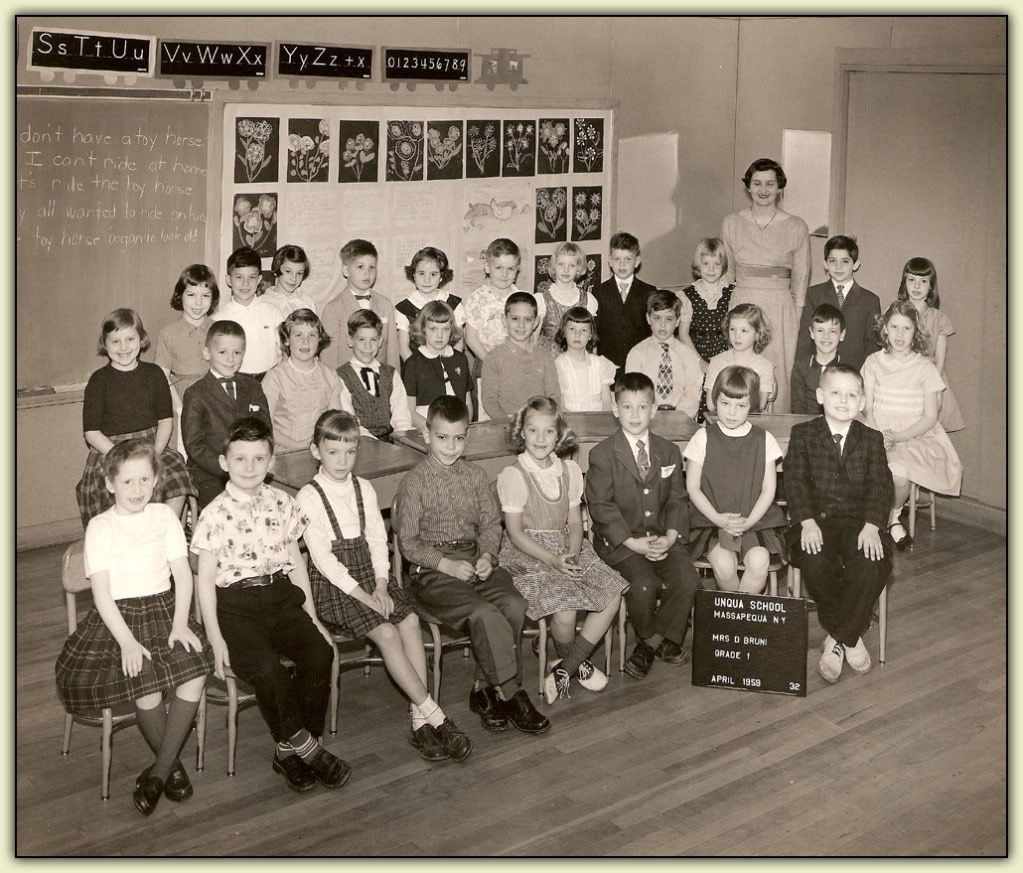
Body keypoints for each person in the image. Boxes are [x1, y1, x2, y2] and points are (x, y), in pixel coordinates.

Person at [297, 411, 472, 762]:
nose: (342, 460)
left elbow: (378, 542)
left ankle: (419, 722)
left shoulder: (363, 487)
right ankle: (436, 715)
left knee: (408, 622)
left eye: (349, 452)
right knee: (387, 633)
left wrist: (379, 584)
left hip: (370, 576)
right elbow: (323, 561)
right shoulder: (308, 496)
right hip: (336, 586)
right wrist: (364, 595)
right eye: (333, 452)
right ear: (316, 451)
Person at [192, 417, 352, 793]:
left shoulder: (283, 502)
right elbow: (204, 582)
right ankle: (309, 750)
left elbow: (296, 561)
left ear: (271, 461)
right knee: (269, 670)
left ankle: (289, 750)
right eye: (241, 459)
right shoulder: (213, 514)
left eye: (259, 459)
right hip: (236, 607)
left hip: (281, 597)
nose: (250, 468)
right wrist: (214, 638)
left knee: (318, 653)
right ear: (223, 462)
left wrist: (311, 615)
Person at [56, 439, 211, 817]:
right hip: (118, 620)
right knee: (146, 683)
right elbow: (103, 595)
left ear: (156, 480)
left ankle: (158, 774)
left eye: (145, 480)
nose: (137, 490)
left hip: (163, 608)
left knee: (195, 671)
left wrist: (179, 623)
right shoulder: (101, 527)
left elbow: (182, 576)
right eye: (127, 482)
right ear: (110, 484)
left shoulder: (164, 517)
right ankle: (170, 769)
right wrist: (126, 642)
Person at [396, 396, 551, 735]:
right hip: (434, 573)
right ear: (426, 434)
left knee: (514, 603)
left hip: (474, 560)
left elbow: (491, 525)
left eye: (459, 438)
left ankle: (484, 689)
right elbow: (407, 544)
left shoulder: (477, 476)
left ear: (467, 436)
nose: (451, 447)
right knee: (484, 613)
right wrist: (446, 566)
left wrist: (486, 556)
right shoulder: (414, 483)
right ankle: (511, 693)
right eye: (442, 438)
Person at [497, 396, 626, 703]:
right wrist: (553, 560)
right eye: (532, 431)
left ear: (559, 434)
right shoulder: (514, 476)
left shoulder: (568, 470)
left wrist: (571, 552)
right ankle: (574, 661)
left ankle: (565, 667)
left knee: (613, 593)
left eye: (549, 432)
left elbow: (575, 521)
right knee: (566, 610)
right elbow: (514, 533)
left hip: (567, 545)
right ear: (521, 433)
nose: (541, 439)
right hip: (531, 552)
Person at [585, 372, 700, 680]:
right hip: (623, 542)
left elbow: (677, 498)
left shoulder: (669, 451)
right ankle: (654, 640)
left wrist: (672, 535)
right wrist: (631, 543)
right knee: (643, 585)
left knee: (688, 579)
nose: (634, 415)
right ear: (615, 408)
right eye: (627, 407)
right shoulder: (602, 454)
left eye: (642, 407)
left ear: (653, 409)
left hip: (663, 536)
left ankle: (650, 645)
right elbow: (601, 507)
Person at [785, 363, 894, 684]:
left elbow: (881, 486)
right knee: (815, 559)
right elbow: (794, 483)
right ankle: (852, 635)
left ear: (862, 401)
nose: (843, 401)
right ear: (820, 396)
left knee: (874, 562)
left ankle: (837, 639)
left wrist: (873, 525)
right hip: (814, 522)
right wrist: (805, 521)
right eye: (835, 393)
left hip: (860, 524)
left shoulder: (872, 439)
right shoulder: (803, 434)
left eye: (852, 395)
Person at [76, 308, 196, 529]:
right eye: (115, 341)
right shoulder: (98, 381)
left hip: (150, 446)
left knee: (177, 471)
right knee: (113, 485)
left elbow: (165, 421)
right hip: (110, 451)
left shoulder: (155, 375)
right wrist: (121, 459)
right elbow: (91, 432)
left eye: (130, 339)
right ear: (105, 344)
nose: (123, 348)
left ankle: (162, 533)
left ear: (141, 340)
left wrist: (154, 456)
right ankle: (123, 539)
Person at [861, 300, 963, 552]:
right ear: (884, 329)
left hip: (914, 433)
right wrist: (877, 433)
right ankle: (871, 519)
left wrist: (900, 435)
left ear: (915, 331)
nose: (899, 335)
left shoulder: (924, 368)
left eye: (906, 329)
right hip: (876, 428)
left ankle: (892, 517)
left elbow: (930, 416)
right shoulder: (874, 362)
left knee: (898, 474)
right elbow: (867, 406)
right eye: (894, 327)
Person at [683, 367, 786, 593]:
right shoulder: (703, 437)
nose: (731, 412)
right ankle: (735, 620)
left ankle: (739, 623)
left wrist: (748, 522)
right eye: (725, 403)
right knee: (724, 565)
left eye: (741, 406)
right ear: (714, 400)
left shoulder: (764, 439)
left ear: (752, 406)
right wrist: (718, 519)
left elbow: (769, 489)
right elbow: (693, 487)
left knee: (759, 563)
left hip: (753, 520)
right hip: (711, 520)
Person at [721, 157, 810, 413]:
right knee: (741, 365)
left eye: (770, 184)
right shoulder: (731, 222)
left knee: (779, 368)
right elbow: (727, 275)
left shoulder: (796, 226)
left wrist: (797, 313)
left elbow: (801, 276)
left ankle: (777, 434)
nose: (763, 190)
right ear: (748, 186)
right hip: (743, 300)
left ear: (779, 187)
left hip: (780, 307)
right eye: (757, 183)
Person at [181, 320, 271, 509]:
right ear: (207, 353)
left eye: (237, 353)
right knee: (230, 511)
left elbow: (265, 431)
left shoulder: (253, 388)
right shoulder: (196, 393)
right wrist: (227, 468)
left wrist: (252, 465)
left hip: (250, 469)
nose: (230, 359)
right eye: (222, 352)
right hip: (213, 475)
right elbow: (194, 445)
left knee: (267, 508)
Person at [261, 309, 354, 452]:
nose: (306, 342)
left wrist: (319, 443)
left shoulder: (330, 376)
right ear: (286, 339)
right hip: (283, 451)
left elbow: (334, 421)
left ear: (319, 339)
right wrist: (297, 446)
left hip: (320, 448)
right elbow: (265, 425)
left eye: (312, 335)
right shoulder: (274, 377)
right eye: (298, 335)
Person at [463, 238, 532, 422]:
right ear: (487, 267)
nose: (504, 274)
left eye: (510, 269)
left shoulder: (522, 299)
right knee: (487, 418)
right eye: (499, 268)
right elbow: (471, 337)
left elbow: (529, 335)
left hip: (516, 364)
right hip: (486, 363)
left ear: (517, 269)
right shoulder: (477, 298)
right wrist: (492, 362)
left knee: (516, 416)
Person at [896, 257, 965, 433]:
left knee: (928, 437)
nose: (917, 286)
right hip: (902, 381)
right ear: (905, 284)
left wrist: (932, 389)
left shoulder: (939, 319)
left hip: (930, 383)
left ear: (931, 286)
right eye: (911, 280)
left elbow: (940, 362)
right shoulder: (895, 313)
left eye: (923, 281)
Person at [795, 235, 880, 372]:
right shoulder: (813, 295)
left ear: (856, 264)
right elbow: (804, 340)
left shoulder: (870, 300)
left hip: (855, 373)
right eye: (832, 261)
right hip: (819, 372)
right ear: (825, 264)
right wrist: (807, 372)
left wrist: (865, 373)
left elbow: (872, 345)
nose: (838, 266)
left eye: (845, 261)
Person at [320, 239, 400, 371]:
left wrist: (393, 383)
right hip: (346, 384)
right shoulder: (333, 309)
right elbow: (328, 360)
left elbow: (392, 352)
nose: (367, 273)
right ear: (346, 270)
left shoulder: (385, 304)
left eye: (372, 267)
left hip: (380, 383)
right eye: (360, 267)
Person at [481, 291, 561, 419]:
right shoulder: (493, 358)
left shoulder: (545, 356)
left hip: (540, 424)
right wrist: (510, 425)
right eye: (515, 319)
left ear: (536, 322)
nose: (521, 325)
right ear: (504, 320)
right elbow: (490, 402)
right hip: (506, 425)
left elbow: (554, 396)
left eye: (528, 319)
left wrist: (545, 423)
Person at [625, 290, 704, 417]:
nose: (662, 324)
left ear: (677, 321)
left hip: (680, 421)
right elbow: (634, 393)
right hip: (646, 419)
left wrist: (677, 417)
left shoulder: (687, 355)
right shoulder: (637, 353)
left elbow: (692, 393)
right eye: (657, 318)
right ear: (648, 318)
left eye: (669, 319)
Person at [337, 309, 414, 440]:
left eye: (373, 340)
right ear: (350, 340)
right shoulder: (341, 376)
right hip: (358, 442)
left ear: (380, 342)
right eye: (361, 339)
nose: (368, 346)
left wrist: (402, 440)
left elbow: (401, 417)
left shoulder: (391, 374)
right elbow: (349, 421)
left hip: (390, 442)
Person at [592, 231, 658, 378]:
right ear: (609, 261)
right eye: (617, 259)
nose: (621, 264)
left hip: (641, 366)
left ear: (637, 261)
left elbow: (654, 332)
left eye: (627, 259)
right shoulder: (599, 293)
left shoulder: (649, 292)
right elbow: (594, 334)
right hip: (608, 367)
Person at [402, 300, 472, 432]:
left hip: (457, 426)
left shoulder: (460, 359)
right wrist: (436, 431)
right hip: (425, 427)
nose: (440, 335)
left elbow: (467, 403)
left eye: (445, 329)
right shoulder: (414, 363)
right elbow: (409, 412)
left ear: (451, 330)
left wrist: (462, 428)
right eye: (433, 329)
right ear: (423, 329)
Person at [216, 246, 282, 380]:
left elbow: (285, 351)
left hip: (270, 379)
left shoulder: (273, 312)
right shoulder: (219, 318)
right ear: (228, 280)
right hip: (236, 380)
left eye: (251, 277)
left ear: (259, 280)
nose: (245, 284)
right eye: (239, 277)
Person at [155, 263, 220, 399]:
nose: (198, 302)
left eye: (205, 296)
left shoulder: (219, 330)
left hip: (214, 400)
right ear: (180, 295)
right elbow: (163, 378)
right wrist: (179, 408)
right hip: (181, 400)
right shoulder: (167, 334)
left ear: (213, 298)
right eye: (191, 295)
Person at [395, 246, 465, 363]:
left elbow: (459, 343)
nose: (427, 280)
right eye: (421, 273)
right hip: (418, 371)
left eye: (433, 274)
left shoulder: (454, 304)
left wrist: (451, 367)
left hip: (449, 366)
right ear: (413, 275)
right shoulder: (404, 308)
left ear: (442, 277)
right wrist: (418, 372)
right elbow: (403, 349)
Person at [704, 303, 775, 415]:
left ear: (757, 334)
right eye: (732, 329)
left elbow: (760, 405)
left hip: (751, 421)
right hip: (720, 419)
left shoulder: (765, 366)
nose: (736, 336)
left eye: (743, 331)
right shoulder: (717, 362)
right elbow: (711, 405)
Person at [536, 242, 598, 354]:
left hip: (577, 364)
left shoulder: (588, 300)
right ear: (554, 267)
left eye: (572, 265)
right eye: (561, 264)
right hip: (548, 363)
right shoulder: (541, 300)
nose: (566, 270)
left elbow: (591, 341)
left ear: (578, 269)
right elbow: (534, 339)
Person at [679, 237, 733, 365]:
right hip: (695, 355)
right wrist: (700, 363)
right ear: (698, 264)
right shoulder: (687, 296)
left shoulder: (731, 293)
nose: (711, 269)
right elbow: (683, 334)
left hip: (726, 357)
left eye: (717, 264)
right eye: (706, 264)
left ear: (723, 265)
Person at [553, 307, 616, 412]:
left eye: (584, 330)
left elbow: (607, 405)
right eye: (572, 329)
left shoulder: (600, 364)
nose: (577, 335)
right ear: (564, 332)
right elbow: (561, 407)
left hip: (598, 424)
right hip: (571, 424)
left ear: (590, 335)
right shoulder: (559, 365)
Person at [791, 304, 845, 415]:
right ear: (811, 333)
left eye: (832, 331)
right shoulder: (800, 367)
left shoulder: (846, 370)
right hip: (806, 426)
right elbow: (798, 406)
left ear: (842, 334)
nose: (826, 336)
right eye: (820, 330)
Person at [262, 244, 317, 320]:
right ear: (277, 270)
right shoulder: (263, 301)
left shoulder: (307, 302)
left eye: (299, 273)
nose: (294, 279)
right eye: (288, 271)